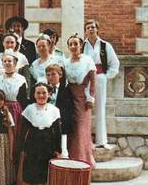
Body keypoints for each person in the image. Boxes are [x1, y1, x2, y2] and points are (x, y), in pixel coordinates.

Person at [18, 82, 61, 185]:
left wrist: (58, 149)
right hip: (33, 142)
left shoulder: (54, 110)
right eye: (38, 93)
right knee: (32, 171)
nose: (41, 95)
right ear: (34, 95)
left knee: (44, 172)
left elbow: (57, 131)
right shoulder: (29, 109)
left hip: (47, 143)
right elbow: (23, 131)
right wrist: (22, 148)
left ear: (48, 95)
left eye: (44, 93)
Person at [83, 19, 120, 148]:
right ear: (85, 31)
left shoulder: (105, 46)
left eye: (93, 27)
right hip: (86, 80)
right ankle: (86, 141)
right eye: (88, 27)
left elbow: (114, 64)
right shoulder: (82, 46)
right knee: (86, 109)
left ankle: (101, 141)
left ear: (97, 29)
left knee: (100, 108)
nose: (91, 29)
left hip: (100, 78)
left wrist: (106, 76)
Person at [64, 33, 96, 167]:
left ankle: (84, 160)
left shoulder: (87, 61)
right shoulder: (65, 62)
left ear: (81, 45)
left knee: (81, 129)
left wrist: (91, 98)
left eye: (76, 44)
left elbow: (93, 82)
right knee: (72, 129)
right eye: (70, 44)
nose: (73, 46)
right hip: (70, 98)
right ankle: (73, 159)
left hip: (83, 98)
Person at [0, 50, 29, 150]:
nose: (7, 63)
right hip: (1, 108)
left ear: (15, 63)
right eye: (5, 61)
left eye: (10, 61)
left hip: (15, 109)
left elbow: (23, 98)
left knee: (14, 133)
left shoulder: (21, 79)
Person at [46, 64, 74, 158]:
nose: (50, 77)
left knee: (62, 150)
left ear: (60, 75)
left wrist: (63, 122)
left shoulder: (65, 90)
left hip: (61, 124)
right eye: (48, 75)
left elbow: (68, 109)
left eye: (53, 74)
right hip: (47, 123)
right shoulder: (44, 90)